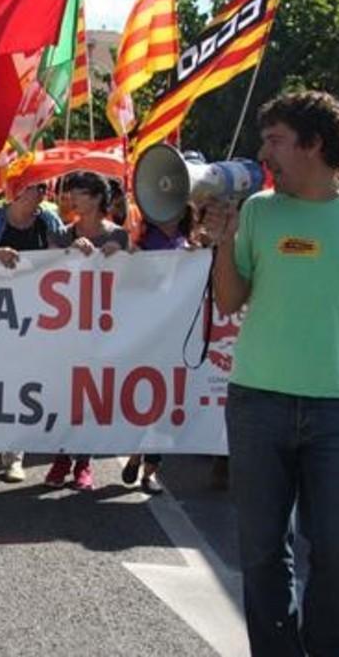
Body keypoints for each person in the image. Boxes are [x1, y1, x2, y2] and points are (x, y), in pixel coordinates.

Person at [201, 91, 339, 656]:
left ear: (315, 145)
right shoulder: (258, 210)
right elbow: (230, 302)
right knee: (261, 552)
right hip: (257, 403)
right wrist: (224, 240)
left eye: (275, 141)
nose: (263, 154)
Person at [0, 180, 65, 483]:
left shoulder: (49, 220)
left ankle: (14, 456)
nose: (43, 193)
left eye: (45, 188)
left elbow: (66, 256)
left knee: (20, 385)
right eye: (36, 188)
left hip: (34, 321)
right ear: (17, 192)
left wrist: (64, 249)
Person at [45, 171, 130, 491]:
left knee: (90, 398)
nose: (71, 199)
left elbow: (132, 279)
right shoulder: (63, 236)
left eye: (79, 192)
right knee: (64, 397)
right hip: (67, 331)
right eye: (70, 193)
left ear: (96, 198)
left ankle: (83, 462)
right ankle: (60, 458)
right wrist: (67, 256)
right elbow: (46, 276)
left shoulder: (119, 237)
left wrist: (120, 257)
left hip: (102, 330)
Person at [119, 204, 199, 495]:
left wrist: (196, 258)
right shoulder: (139, 243)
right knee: (141, 400)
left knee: (165, 404)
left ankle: (150, 470)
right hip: (143, 336)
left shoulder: (191, 246)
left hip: (174, 338)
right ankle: (136, 453)